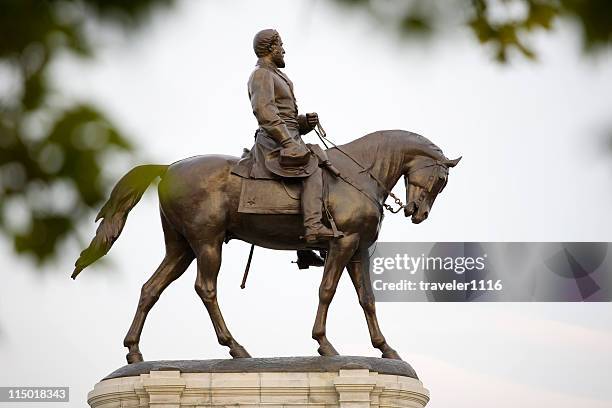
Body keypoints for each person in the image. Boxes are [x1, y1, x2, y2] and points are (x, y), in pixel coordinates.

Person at [242, 28, 343, 245]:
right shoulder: (261, 74)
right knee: (313, 169)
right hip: (273, 142)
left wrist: (305, 122)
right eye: (280, 46)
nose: (284, 50)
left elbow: (287, 119)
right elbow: (265, 112)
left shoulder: (276, 75)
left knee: (318, 165)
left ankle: (304, 247)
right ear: (271, 48)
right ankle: (313, 227)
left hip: (288, 138)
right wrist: (287, 141)